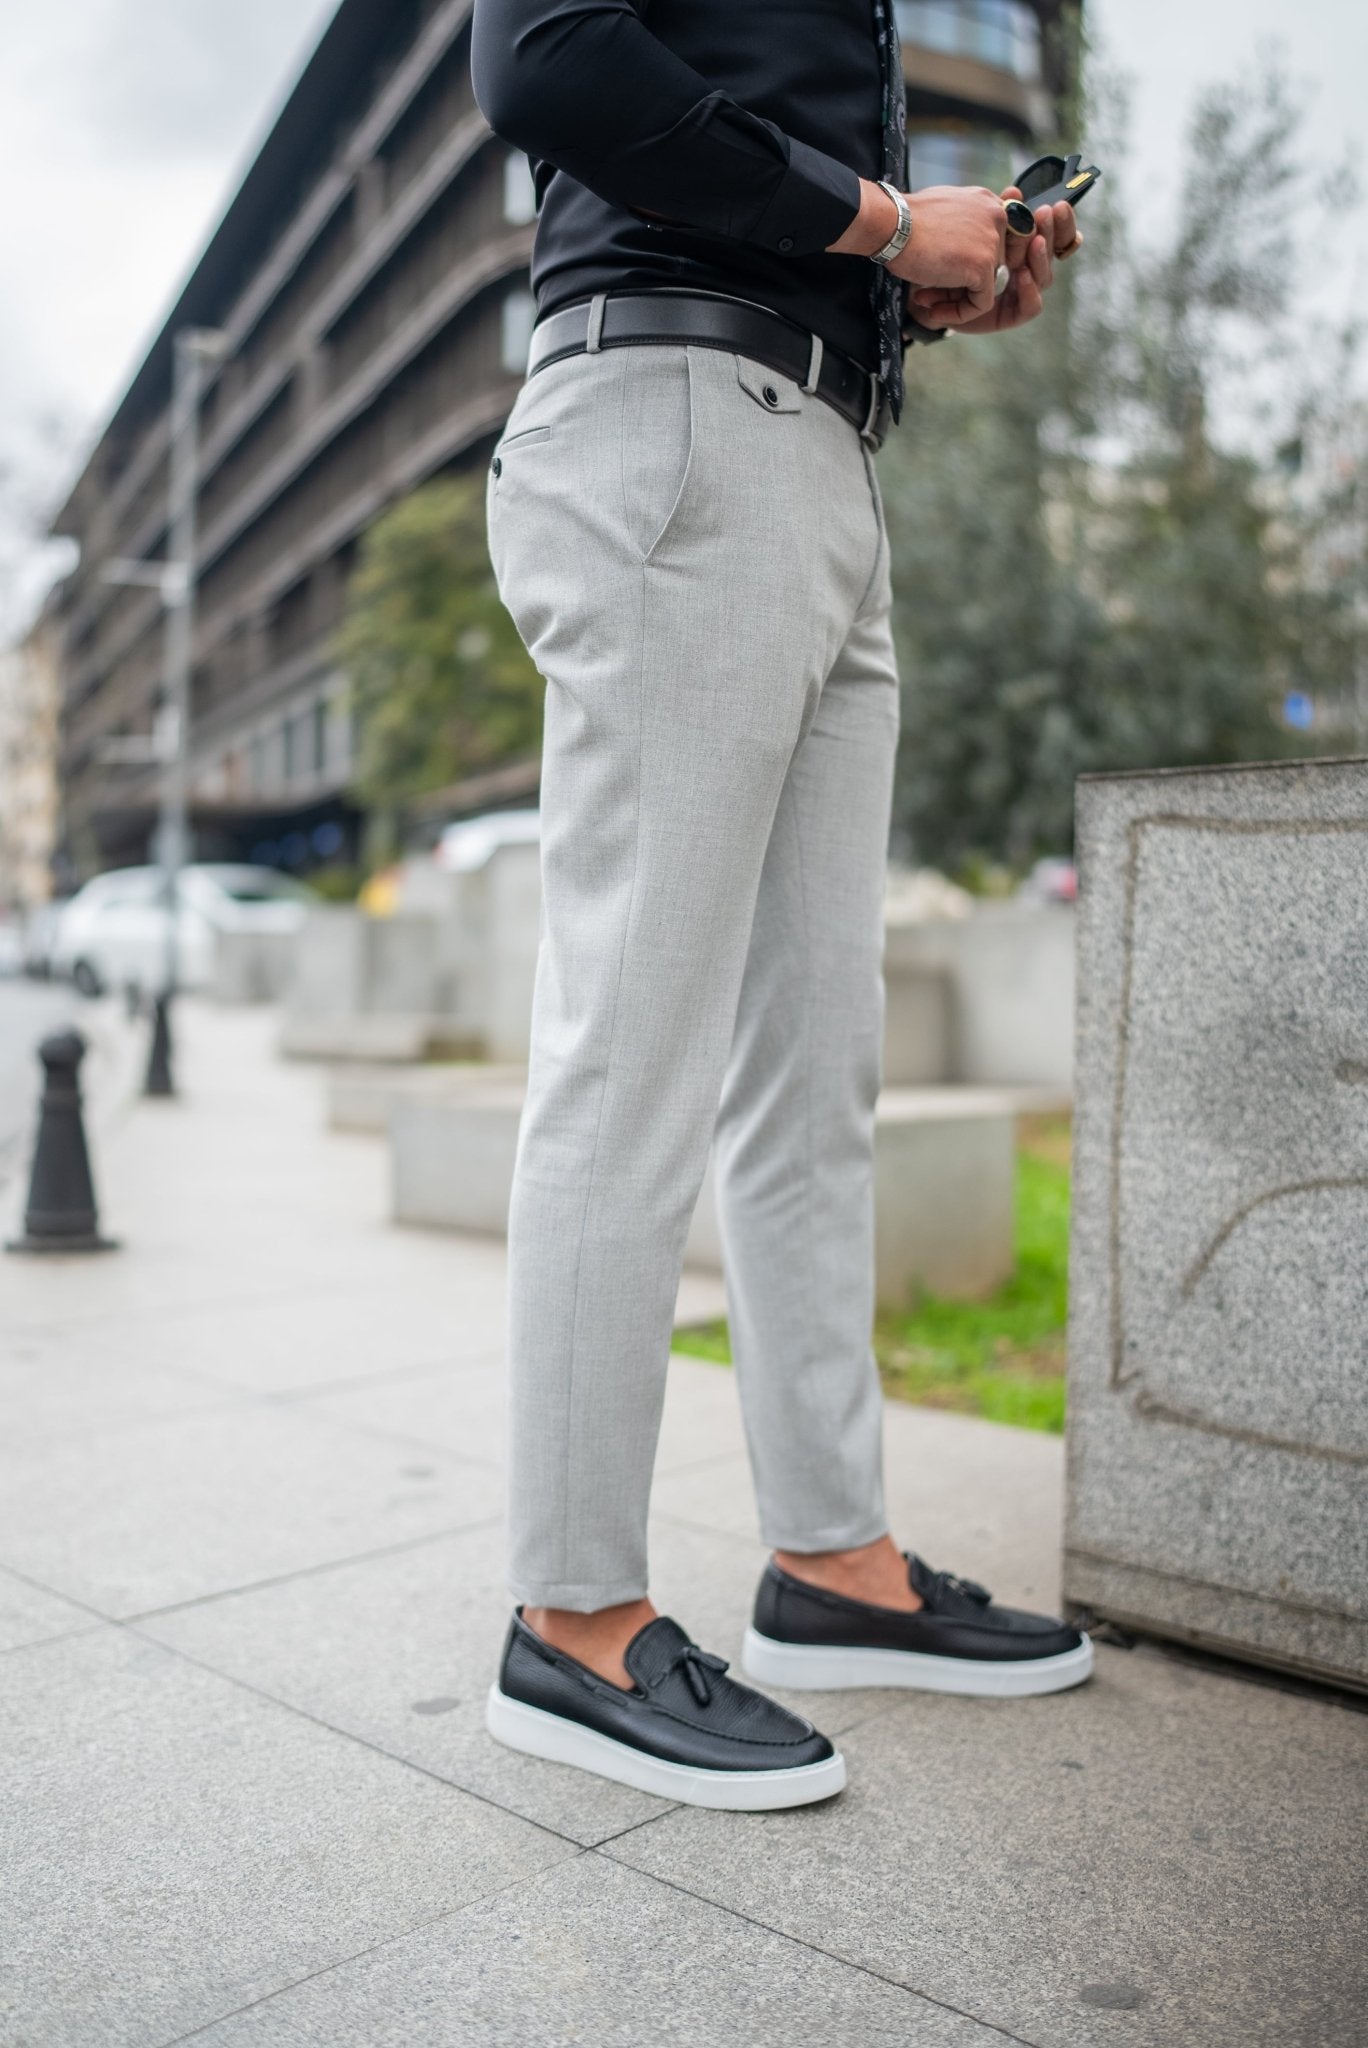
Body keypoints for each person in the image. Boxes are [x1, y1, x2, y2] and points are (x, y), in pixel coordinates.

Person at [471, 0, 1092, 1812]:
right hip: (671, 425)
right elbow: (548, 56)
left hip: (822, 461)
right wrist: (898, 223)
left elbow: (751, 142)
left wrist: (927, 276)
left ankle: (829, 1560)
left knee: (814, 1079)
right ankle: (570, 1619)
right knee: (632, 1051)